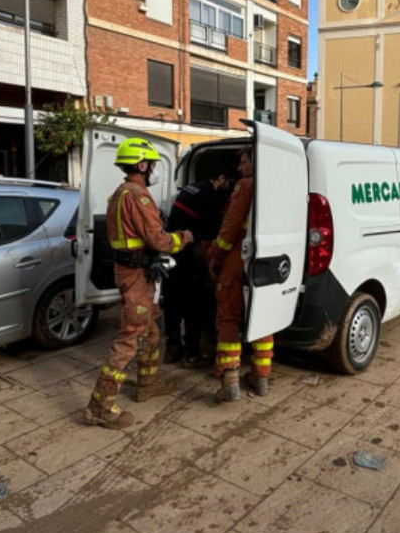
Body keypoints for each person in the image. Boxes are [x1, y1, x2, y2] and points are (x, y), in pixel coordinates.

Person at [83, 138, 193, 430]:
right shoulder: (139, 197)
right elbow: (159, 240)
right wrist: (183, 238)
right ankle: (100, 406)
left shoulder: (119, 194)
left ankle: (147, 383)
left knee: (152, 330)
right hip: (136, 278)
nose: (155, 170)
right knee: (128, 338)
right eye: (153, 165)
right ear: (142, 166)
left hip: (130, 272)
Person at [208, 148, 272, 402]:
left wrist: (216, 252)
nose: (239, 168)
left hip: (239, 259)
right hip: (269, 260)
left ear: (255, 163)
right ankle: (261, 377)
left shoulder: (246, 186)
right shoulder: (281, 186)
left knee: (228, 317)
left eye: (244, 162)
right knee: (265, 318)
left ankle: (230, 380)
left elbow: (231, 226)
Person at [162, 172, 232, 367]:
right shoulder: (210, 196)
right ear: (220, 177)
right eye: (227, 181)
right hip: (188, 254)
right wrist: (211, 269)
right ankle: (191, 354)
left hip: (171, 252)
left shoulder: (191, 187)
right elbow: (209, 239)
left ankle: (172, 347)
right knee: (194, 305)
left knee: (172, 302)